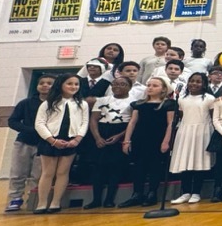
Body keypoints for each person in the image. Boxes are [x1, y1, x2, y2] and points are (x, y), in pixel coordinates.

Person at [33, 74, 89, 213]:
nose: (73, 87)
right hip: (51, 140)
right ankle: (41, 203)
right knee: (48, 173)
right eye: (69, 84)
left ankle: (55, 203)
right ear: (61, 85)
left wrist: (77, 139)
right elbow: (39, 123)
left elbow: (84, 123)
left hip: (71, 141)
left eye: (76, 84)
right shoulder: (48, 103)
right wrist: (52, 140)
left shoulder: (82, 103)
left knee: (63, 172)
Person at [121, 77, 175, 207]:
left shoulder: (168, 104)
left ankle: (152, 193)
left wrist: (166, 141)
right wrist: (126, 140)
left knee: (154, 166)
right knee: (138, 166)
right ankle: (137, 193)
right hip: (140, 138)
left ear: (163, 89)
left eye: (155, 85)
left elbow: (170, 124)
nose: (150, 87)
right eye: (149, 85)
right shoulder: (139, 104)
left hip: (157, 138)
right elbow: (132, 122)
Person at [5, 74, 53, 212]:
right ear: (37, 86)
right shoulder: (25, 103)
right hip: (24, 142)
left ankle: (32, 198)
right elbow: (12, 121)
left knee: (37, 175)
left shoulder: (56, 104)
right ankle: (15, 198)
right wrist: (31, 130)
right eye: (42, 83)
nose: (45, 85)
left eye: (49, 83)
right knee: (18, 172)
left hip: (44, 144)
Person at [86, 76, 134, 208]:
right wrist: (97, 137)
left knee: (115, 167)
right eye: (115, 84)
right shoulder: (102, 100)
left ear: (129, 87)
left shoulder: (134, 102)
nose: (118, 86)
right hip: (102, 130)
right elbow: (94, 119)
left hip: (121, 130)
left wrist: (120, 136)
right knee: (98, 168)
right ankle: (96, 200)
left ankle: (109, 199)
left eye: (123, 84)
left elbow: (133, 122)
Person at [169, 73, 216, 204]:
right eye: (192, 81)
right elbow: (182, 116)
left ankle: (196, 192)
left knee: (198, 162)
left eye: (198, 81)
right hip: (185, 131)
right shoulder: (182, 99)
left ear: (204, 84)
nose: (194, 84)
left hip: (202, 132)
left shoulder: (209, 98)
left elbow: (213, 117)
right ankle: (185, 192)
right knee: (185, 161)